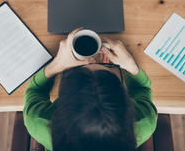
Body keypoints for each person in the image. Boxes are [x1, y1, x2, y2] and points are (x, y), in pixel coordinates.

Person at [23, 28, 157, 151]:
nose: (91, 60)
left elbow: (35, 91)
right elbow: (142, 89)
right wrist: (130, 65)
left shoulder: (38, 121)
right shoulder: (145, 121)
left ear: (63, 99)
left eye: (78, 70)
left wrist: (57, 64)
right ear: (124, 98)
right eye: (108, 69)